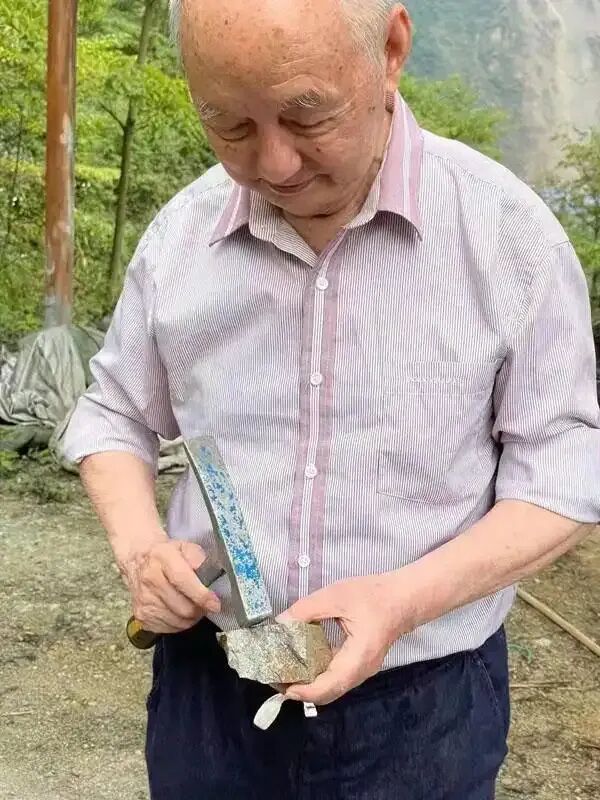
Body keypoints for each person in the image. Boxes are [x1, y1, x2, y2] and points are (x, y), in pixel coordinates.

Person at [62, 1, 600, 797]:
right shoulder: (181, 238)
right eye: (229, 125)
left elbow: (564, 470)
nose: (275, 164)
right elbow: (114, 413)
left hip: (424, 703)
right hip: (211, 690)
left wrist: (402, 601)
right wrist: (143, 550)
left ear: (391, 48)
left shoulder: (506, 236)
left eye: (308, 116)